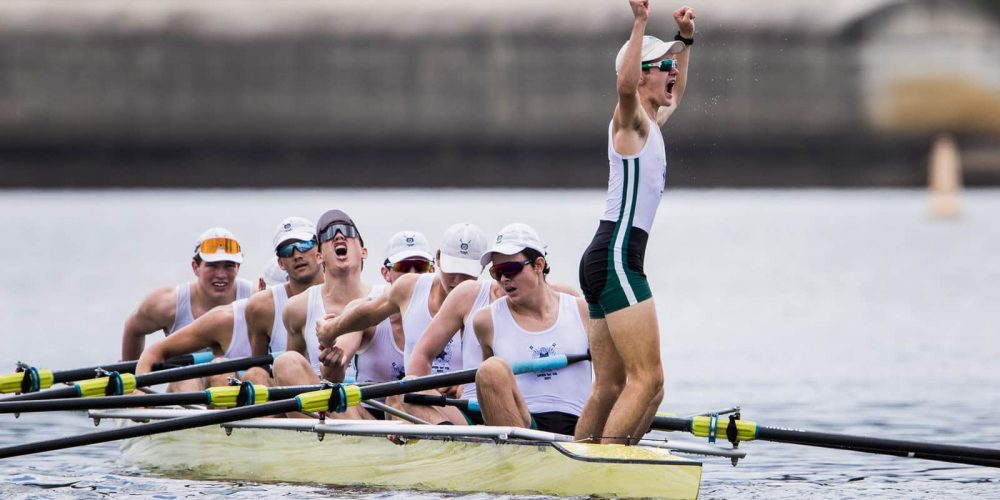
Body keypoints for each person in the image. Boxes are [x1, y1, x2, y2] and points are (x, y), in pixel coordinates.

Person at [575, 2, 696, 444]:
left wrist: (684, 42)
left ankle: (578, 462)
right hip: (619, 258)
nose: (673, 72)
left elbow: (675, 95)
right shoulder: (630, 122)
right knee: (649, 382)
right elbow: (624, 85)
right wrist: (640, 22)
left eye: (673, 65)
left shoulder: (653, 121)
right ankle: (606, 466)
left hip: (602, 257)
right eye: (663, 66)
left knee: (608, 387)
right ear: (641, 74)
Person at [318, 223, 487, 424]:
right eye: (403, 267)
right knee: (398, 393)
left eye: (467, 272)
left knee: (401, 393)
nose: (458, 280)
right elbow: (368, 312)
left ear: (483, 268)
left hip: (460, 410)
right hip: (401, 404)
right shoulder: (409, 289)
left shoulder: (491, 300)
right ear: (439, 258)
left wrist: (464, 386)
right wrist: (330, 330)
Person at [473, 223, 592, 435]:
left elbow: (611, 381)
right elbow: (490, 390)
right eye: (496, 272)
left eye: (510, 269)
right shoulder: (486, 320)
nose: (503, 279)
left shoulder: (582, 311)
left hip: (582, 429)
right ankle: (517, 456)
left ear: (538, 265)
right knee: (490, 370)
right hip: (524, 425)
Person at [322, 230, 436, 419]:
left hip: (423, 413)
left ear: (432, 271)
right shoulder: (362, 311)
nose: (412, 276)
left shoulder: (446, 310)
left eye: (420, 266)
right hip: (369, 416)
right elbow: (331, 378)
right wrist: (333, 365)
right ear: (385, 273)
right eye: (404, 267)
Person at [271, 209, 372, 419]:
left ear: (364, 251)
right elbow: (288, 382)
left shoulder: (384, 299)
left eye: (347, 231)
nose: (338, 236)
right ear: (319, 256)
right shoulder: (296, 308)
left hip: (379, 414)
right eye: (327, 235)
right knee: (285, 363)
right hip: (326, 410)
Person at [121, 227, 254, 362]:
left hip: (236, 380)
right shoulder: (167, 303)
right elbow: (133, 328)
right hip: (185, 381)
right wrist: (132, 379)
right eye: (212, 266)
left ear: (238, 268)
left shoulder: (254, 297)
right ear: (195, 267)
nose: (221, 275)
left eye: (229, 266)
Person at [241, 216, 325, 385]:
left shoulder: (349, 293)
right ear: (280, 262)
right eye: (287, 250)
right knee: (254, 375)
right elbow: (260, 370)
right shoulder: (261, 307)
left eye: (304, 244)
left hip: (345, 393)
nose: (296, 255)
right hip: (289, 394)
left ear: (320, 251)